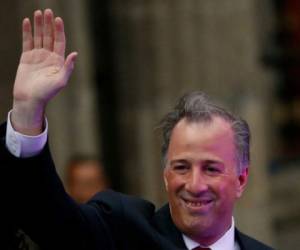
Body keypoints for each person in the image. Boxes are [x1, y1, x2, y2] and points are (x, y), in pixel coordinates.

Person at [0, 9, 274, 250]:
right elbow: (47, 218)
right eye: (181, 167)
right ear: (165, 174)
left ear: (240, 179)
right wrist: (28, 112)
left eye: (211, 168)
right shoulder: (123, 231)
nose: (194, 184)